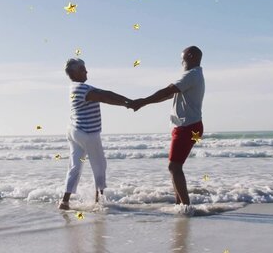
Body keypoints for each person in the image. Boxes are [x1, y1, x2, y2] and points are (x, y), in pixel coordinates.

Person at [129, 46, 205, 214]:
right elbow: (169, 95)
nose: (181, 60)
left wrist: (142, 101)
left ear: (190, 56)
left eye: (182, 57)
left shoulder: (191, 74)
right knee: (175, 167)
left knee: (174, 167)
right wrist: (145, 103)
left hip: (187, 126)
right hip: (189, 126)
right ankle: (180, 205)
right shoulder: (194, 75)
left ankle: (185, 207)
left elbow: (168, 90)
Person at [59, 58, 132, 210]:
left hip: (74, 131)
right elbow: (105, 96)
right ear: (74, 73)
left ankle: (64, 201)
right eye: (82, 69)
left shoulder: (73, 87)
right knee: (99, 165)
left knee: (74, 166)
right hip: (87, 132)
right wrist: (129, 103)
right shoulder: (81, 88)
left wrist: (127, 102)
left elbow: (104, 94)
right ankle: (99, 201)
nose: (86, 71)